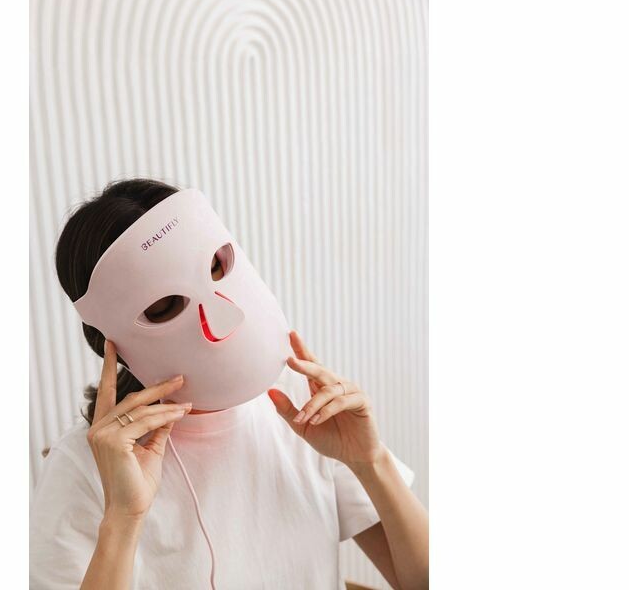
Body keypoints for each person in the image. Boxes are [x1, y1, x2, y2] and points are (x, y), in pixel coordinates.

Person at [30, 178, 429, 590]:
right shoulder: (82, 467)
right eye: (166, 305)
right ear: (109, 344)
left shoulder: (299, 406)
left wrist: (370, 462)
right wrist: (123, 518)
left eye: (215, 267)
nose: (220, 315)